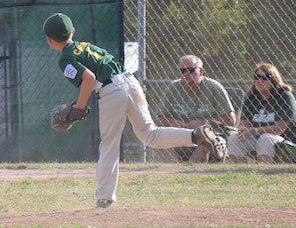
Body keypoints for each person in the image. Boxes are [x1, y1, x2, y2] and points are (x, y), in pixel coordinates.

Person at [42, 13, 224, 208]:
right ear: (73, 32)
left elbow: (88, 78)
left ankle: (104, 198)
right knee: (149, 134)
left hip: (111, 90)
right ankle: (196, 136)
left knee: (109, 144)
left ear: (49, 40)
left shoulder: (65, 59)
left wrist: (78, 108)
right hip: (130, 81)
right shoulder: (85, 45)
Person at [156, 55, 236, 163]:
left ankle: (191, 173)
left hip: (209, 133)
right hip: (181, 132)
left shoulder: (214, 87)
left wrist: (204, 122)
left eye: (191, 70)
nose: (186, 74)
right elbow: (160, 118)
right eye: (183, 71)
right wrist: (174, 122)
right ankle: (174, 172)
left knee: (205, 141)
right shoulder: (172, 89)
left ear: (201, 71)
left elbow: (231, 119)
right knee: (161, 140)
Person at [227, 63, 296, 164]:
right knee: (234, 137)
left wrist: (253, 130)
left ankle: (261, 173)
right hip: (257, 138)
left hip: (285, 141)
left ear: (274, 80)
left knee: (265, 138)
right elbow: (243, 124)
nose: (260, 80)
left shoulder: (284, 96)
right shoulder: (252, 98)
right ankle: (241, 173)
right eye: (257, 77)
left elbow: (279, 129)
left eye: (266, 77)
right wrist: (243, 130)